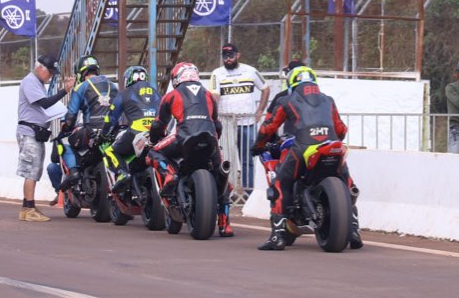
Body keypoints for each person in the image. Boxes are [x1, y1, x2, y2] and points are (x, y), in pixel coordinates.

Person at [253, 66, 363, 250]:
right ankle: (353, 230)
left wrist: (258, 145)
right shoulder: (328, 100)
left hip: (302, 147)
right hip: (332, 145)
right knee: (348, 184)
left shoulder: (287, 100)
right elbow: (341, 129)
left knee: (280, 184)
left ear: (291, 83)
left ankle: (277, 236)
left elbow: (268, 127)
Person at [149, 62, 234, 237]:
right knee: (222, 178)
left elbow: (159, 125)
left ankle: (170, 173)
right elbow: (217, 125)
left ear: (176, 78)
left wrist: (154, 139)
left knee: (153, 153)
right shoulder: (209, 95)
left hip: (183, 137)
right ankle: (225, 225)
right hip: (210, 139)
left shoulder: (171, 95)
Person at [16, 55, 74, 222]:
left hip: (36, 132)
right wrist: (64, 90)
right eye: (49, 72)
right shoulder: (30, 81)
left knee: (34, 170)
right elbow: (45, 103)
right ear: (40, 67)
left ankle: (28, 208)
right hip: (29, 132)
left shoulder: (38, 83)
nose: (50, 76)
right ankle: (28, 208)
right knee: (31, 171)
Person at [209, 43, 270, 196]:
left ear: (238, 55)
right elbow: (215, 96)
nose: (228, 59)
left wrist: (260, 110)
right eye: (225, 56)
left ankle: (249, 191)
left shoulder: (250, 71)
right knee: (226, 158)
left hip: (247, 121)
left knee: (248, 159)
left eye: (230, 56)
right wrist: (213, 114)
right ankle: (226, 192)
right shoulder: (217, 73)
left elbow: (265, 88)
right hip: (226, 122)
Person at [58, 55, 118, 190]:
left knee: (64, 140)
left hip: (90, 132)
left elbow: (71, 116)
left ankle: (73, 172)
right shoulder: (113, 86)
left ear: (80, 72)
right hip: (112, 132)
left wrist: (65, 127)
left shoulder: (81, 87)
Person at [99, 65, 161, 193]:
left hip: (136, 131)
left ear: (129, 79)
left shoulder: (125, 93)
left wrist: (104, 134)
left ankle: (122, 173)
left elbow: (111, 117)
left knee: (110, 151)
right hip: (157, 132)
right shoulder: (156, 92)